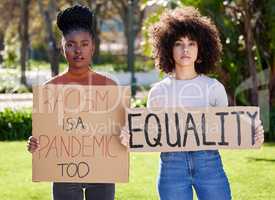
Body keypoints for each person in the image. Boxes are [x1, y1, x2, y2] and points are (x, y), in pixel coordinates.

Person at [120, 6, 265, 200]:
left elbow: (228, 130)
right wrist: (130, 137)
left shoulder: (214, 88)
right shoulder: (158, 92)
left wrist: (252, 134)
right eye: (179, 43)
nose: (185, 49)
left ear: (201, 48)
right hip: (172, 168)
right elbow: (151, 135)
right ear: (168, 48)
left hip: (209, 165)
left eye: (192, 43)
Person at [27, 5, 116, 200]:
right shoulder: (50, 88)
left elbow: (121, 128)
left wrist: (125, 135)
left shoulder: (109, 86)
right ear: (62, 47)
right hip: (63, 172)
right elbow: (46, 134)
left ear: (93, 46)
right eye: (71, 44)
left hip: (102, 169)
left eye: (84, 44)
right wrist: (35, 142)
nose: (78, 50)